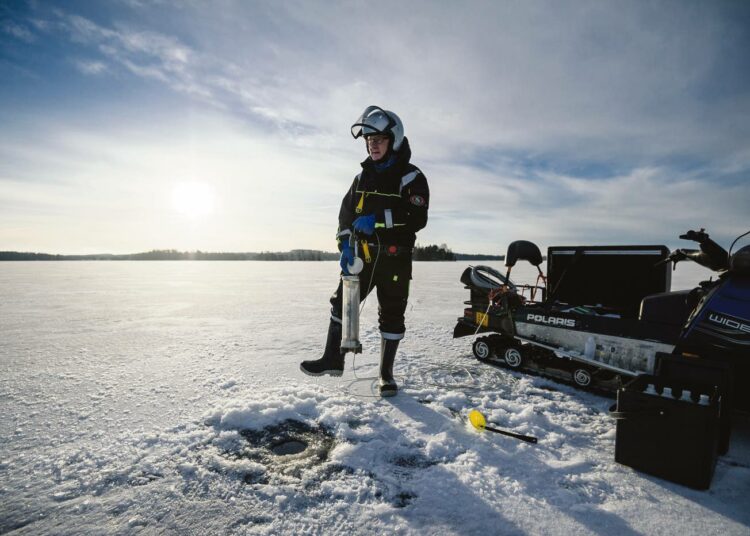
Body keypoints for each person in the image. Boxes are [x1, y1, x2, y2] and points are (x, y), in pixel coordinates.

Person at [300, 106, 430, 397]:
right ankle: (333, 359)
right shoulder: (361, 179)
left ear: (393, 140)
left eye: (379, 140)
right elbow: (345, 216)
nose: (372, 145)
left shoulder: (411, 177)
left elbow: (417, 217)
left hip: (395, 259)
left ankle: (386, 375)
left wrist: (379, 219)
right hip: (363, 258)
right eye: (369, 141)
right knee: (342, 304)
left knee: (392, 315)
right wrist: (345, 245)